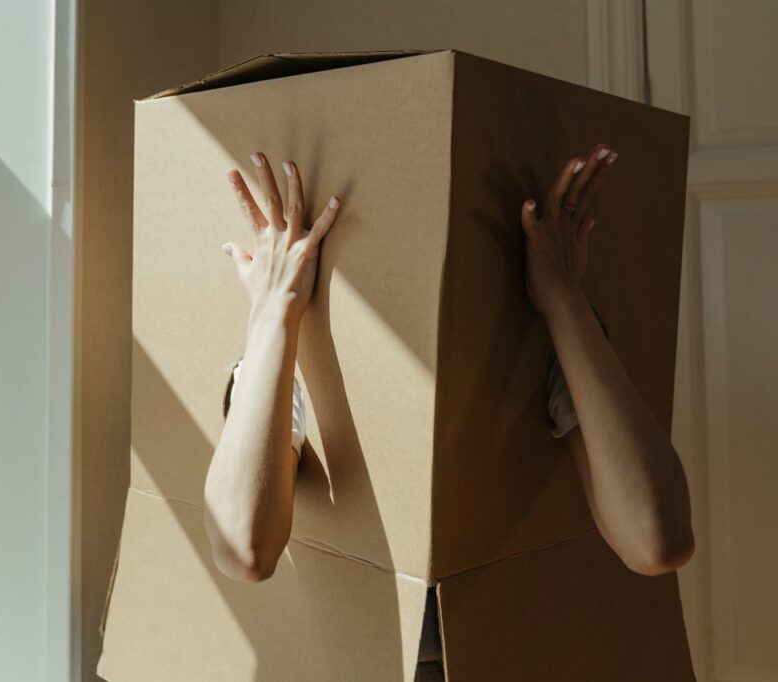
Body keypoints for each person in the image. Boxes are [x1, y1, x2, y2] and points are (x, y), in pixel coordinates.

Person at [202, 146, 695, 680]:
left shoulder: (549, 359)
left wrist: (563, 299)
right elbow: (243, 548)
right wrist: (275, 310)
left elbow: (656, 540)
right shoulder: (284, 367)